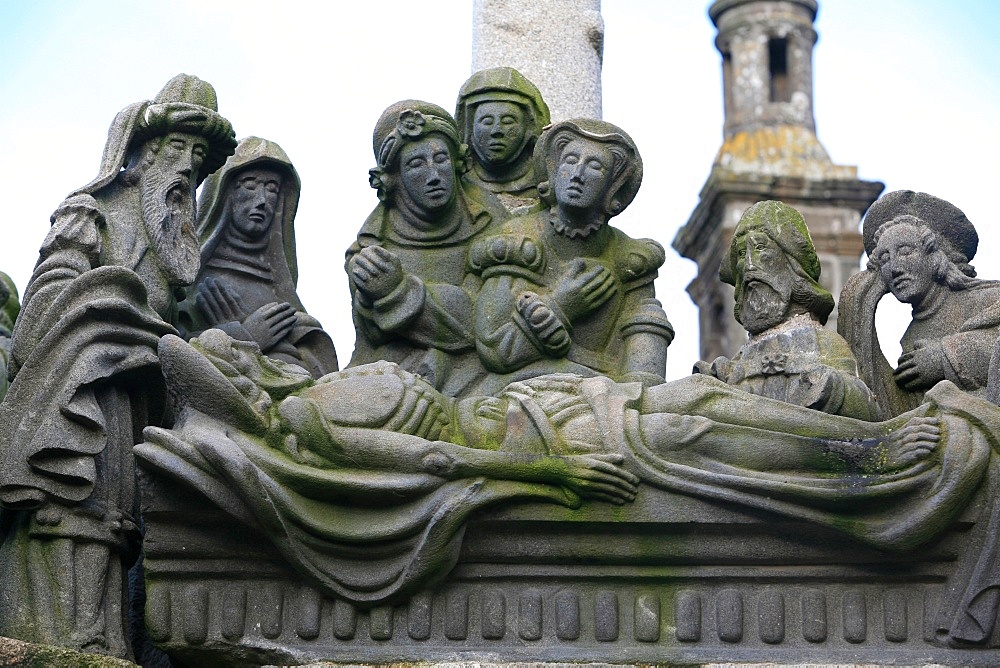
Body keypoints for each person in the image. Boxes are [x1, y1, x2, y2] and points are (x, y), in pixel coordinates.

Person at [136, 328, 998, 608]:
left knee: (691, 400)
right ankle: (867, 460)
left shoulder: (320, 389)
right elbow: (433, 459)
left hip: (544, 402)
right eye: (239, 365)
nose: (255, 359)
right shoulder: (305, 422)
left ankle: (867, 450)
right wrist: (551, 479)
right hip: (535, 442)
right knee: (689, 429)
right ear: (243, 390)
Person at [0, 74, 235, 658]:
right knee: (67, 513)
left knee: (114, 527)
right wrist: (111, 310)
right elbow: (35, 324)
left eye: (198, 158)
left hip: (127, 400)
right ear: (139, 154)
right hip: (72, 393)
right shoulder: (90, 212)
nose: (186, 167)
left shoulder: (171, 243)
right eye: (176, 149)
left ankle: (99, 641)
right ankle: (55, 638)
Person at [470, 119, 673, 394]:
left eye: (595, 166)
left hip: (606, 401)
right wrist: (561, 306)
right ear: (553, 172)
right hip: (522, 392)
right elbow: (495, 349)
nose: (577, 174)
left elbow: (643, 375)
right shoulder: (516, 241)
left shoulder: (629, 260)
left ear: (612, 187)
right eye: (570, 161)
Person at [346, 100, 507, 397]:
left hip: (481, 376)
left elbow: (488, 320)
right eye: (416, 164)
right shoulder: (371, 250)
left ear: (458, 163)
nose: (434, 175)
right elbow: (375, 338)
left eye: (441, 159)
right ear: (392, 179)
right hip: (394, 381)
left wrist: (399, 293)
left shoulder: (493, 227)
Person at [696, 201, 878, 419]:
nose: (750, 265)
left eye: (761, 248)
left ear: (792, 263)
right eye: (743, 253)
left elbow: (868, 410)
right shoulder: (741, 357)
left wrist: (833, 388)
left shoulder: (823, 343)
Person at [180, 136, 338, 378]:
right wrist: (244, 336)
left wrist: (276, 346)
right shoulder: (189, 279)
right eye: (250, 185)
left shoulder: (280, 289)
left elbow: (318, 371)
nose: (262, 200)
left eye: (272, 189)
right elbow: (169, 349)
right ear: (225, 193)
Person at [840, 190, 1000, 417]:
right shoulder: (911, 337)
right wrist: (859, 304)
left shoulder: (988, 298)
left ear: (935, 257)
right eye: (884, 259)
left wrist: (944, 357)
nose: (894, 268)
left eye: (905, 252)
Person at [455, 67, 550, 215]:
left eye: (508, 121)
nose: (496, 131)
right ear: (468, 128)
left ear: (529, 128)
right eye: (486, 122)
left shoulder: (550, 187)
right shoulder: (453, 187)